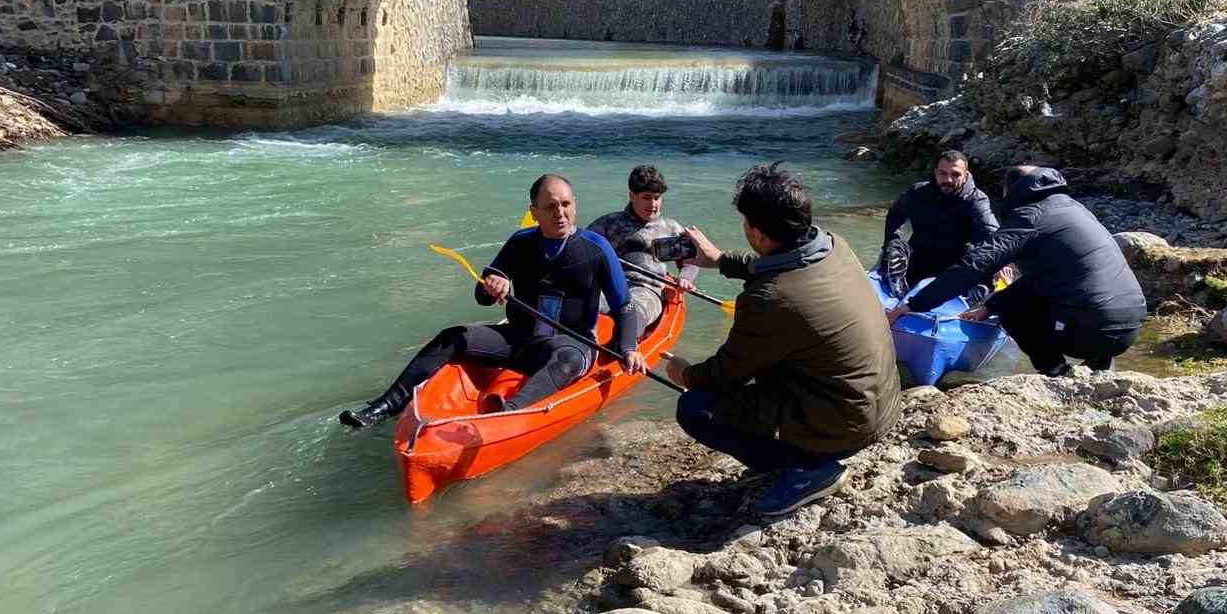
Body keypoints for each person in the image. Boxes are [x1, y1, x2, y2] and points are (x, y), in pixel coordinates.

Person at [664, 162, 901, 516]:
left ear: (758, 234)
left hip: (846, 426)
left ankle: (808, 470)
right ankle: (803, 456)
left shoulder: (768, 299)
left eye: (746, 224)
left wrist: (685, 374)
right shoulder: (833, 246)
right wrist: (720, 261)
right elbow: (780, 264)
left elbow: (728, 373)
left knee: (697, 408)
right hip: (882, 406)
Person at [339, 174, 646, 428]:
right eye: (550, 206)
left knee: (565, 360)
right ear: (535, 211)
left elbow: (624, 306)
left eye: (566, 204)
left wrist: (629, 348)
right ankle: (384, 406)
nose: (560, 213)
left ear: (574, 205)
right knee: (453, 337)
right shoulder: (521, 242)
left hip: (571, 344)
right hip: (520, 339)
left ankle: (505, 416)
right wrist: (492, 286)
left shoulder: (596, 248)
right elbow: (482, 295)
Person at [888, 166, 1146, 377]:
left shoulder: (1030, 217)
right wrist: (990, 306)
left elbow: (974, 266)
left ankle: (1056, 372)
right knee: (1048, 290)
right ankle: (1100, 363)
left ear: (1011, 191)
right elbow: (1041, 278)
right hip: (1130, 328)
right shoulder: (1073, 209)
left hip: (1089, 332)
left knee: (1014, 311)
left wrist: (913, 305)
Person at [586, 164, 696, 339]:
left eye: (657, 198)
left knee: (631, 311)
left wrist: (685, 278)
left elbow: (691, 261)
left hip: (648, 290)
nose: (653, 204)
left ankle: (627, 349)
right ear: (632, 196)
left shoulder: (671, 228)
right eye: (646, 198)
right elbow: (582, 250)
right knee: (581, 299)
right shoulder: (608, 223)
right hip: (611, 285)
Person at [879, 150, 999, 299]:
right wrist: (891, 242)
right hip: (920, 255)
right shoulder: (918, 192)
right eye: (943, 174)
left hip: (956, 262)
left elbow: (991, 231)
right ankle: (897, 285)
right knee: (895, 248)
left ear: (966, 175)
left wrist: (1000, 263)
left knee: (982, 259)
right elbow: (895, 215)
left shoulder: (976, 200)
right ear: (935, 173)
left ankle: (975, 292)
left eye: (955, 174)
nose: (948, 179)